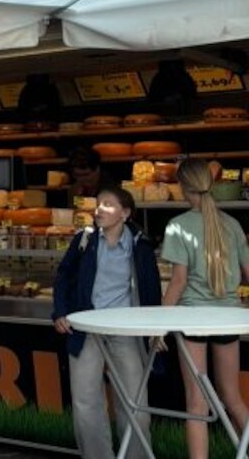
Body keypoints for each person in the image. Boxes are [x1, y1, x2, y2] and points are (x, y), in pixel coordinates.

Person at [51, 187, 161, 459]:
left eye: (108, 205)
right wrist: (60, 312)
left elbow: (151, 291)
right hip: (86, 329)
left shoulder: (140, 245)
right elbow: (63, 277)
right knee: (86, 401)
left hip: (125, 330)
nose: (99, 209)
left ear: (125, 213)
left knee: (135, 403)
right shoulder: (84, 240)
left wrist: (155, 330)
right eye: (98, 204)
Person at [161, 158, 249, 459]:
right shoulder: (233, 224)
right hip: (229, 319)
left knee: (197, 404)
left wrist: (158, 325)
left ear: (183, 187)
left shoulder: (178, 226)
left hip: (192, 319)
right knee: (233, 398)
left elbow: (178, 282)